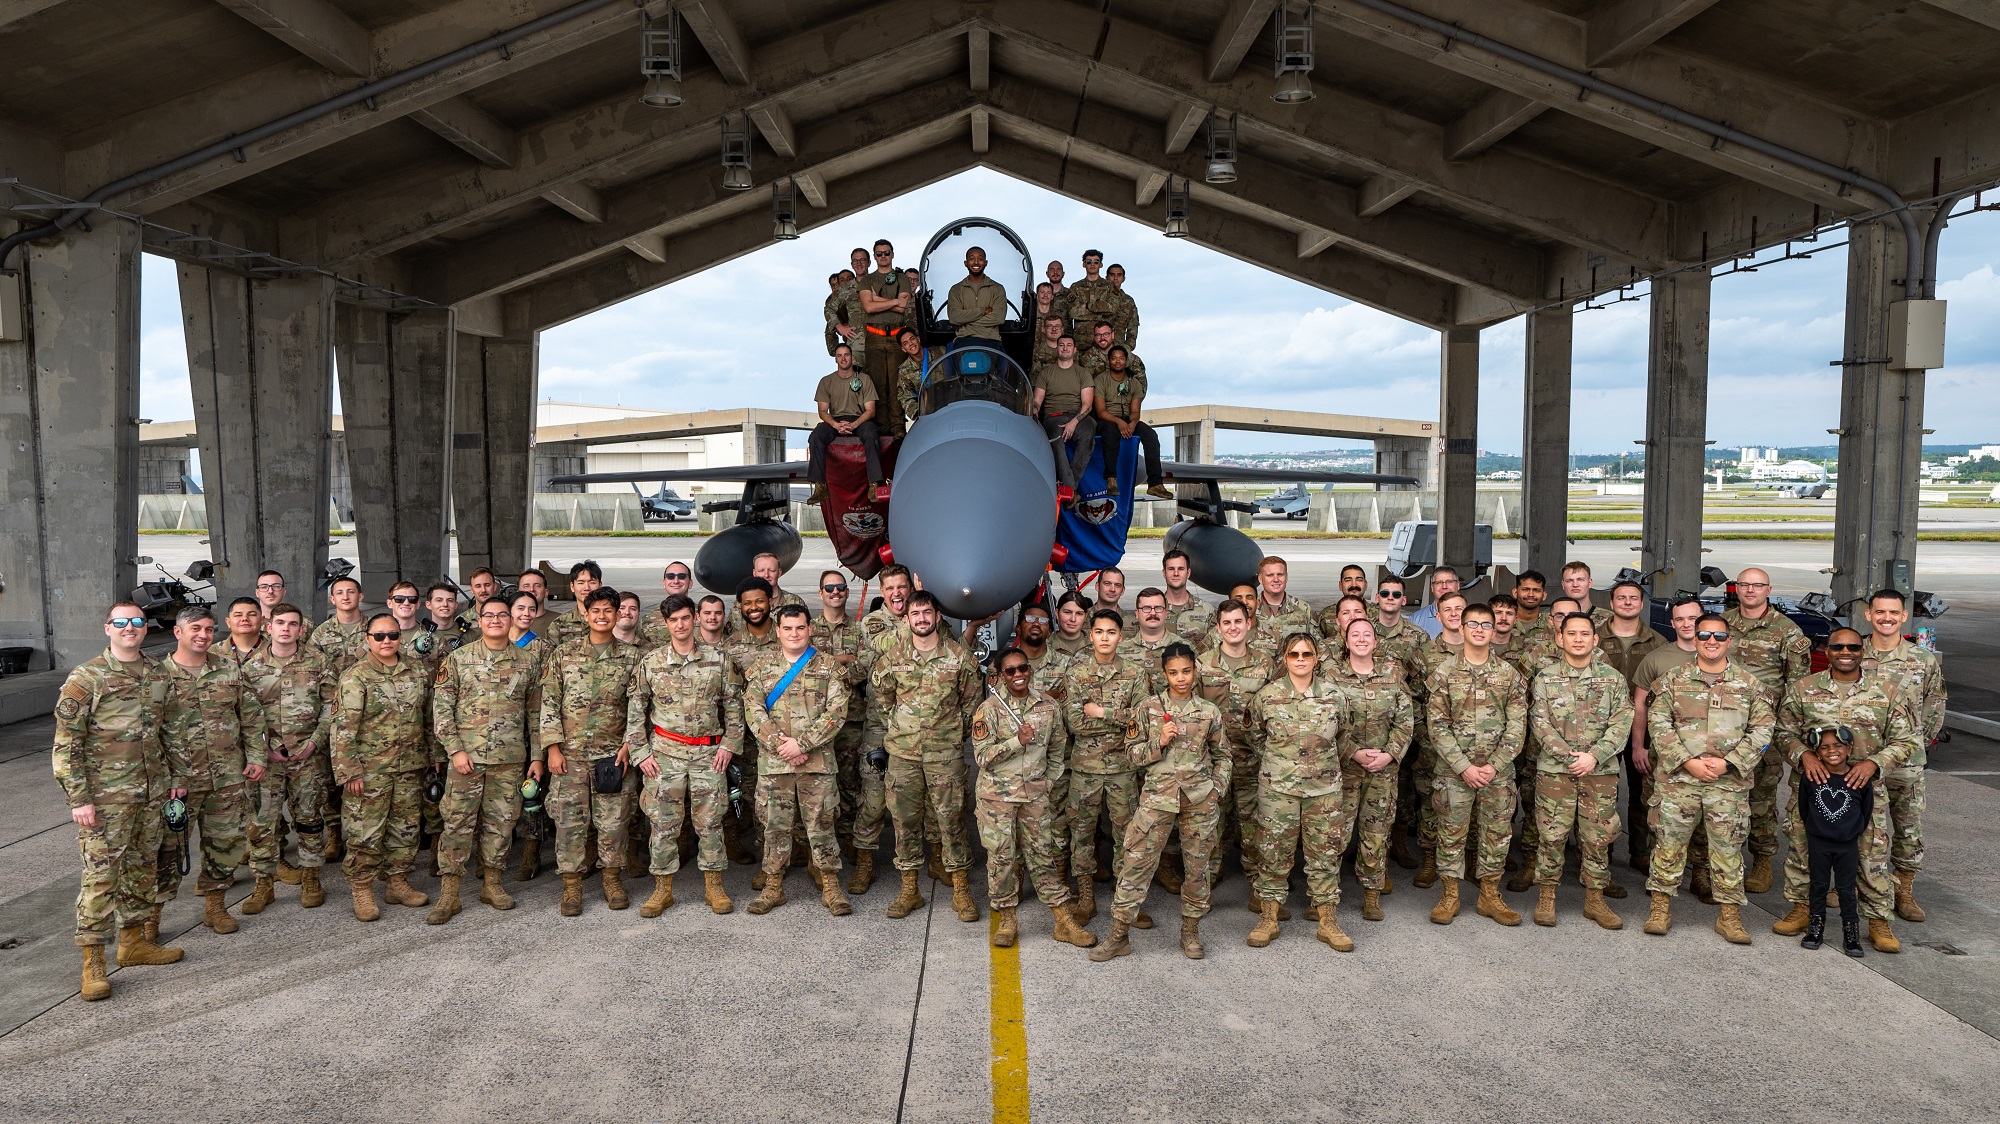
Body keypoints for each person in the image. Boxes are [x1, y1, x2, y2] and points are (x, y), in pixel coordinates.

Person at [54, 601, 178, 1000]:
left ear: (146, 628)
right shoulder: (87, 677)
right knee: (101, 878)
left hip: (151, 794)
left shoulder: (160, 673)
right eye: (121, 622)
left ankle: (133, 943)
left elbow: (169, 732)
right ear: (107, 627)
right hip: (105, 800)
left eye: (138, 621)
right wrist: (79, 799)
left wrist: (174, 780)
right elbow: (66, 743)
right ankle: (93, 963)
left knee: (143, 869)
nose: (130, 628)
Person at [1771, 627, 1920, 954]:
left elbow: (1907, 739)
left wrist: (1874, 763)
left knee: (1871, 854)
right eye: (1838, 646)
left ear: (1862, 650)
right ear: (1827, 649)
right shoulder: (1803, 689)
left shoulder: (1887, 691)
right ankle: (1801, 908)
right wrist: (1804, 755)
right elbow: (1783, 733)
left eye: (1853, 646)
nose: (1846, 652)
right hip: (1812, 789)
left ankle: (1877, 920)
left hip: (1862, 790)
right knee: (1802, 848)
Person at [1641, 613, 1773, 943]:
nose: (1711, 641)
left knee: (1727, 850)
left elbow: (1763, 731)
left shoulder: (1749, 684)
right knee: (1668, 845)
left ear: (1730, 641)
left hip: (1727, 785)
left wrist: (1729, 763)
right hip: (1678, 782)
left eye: (1718, 636)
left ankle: (1729, 916)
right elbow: (1658, 724)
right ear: (1695, 640)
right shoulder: (1673, 680)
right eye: (1704, 635)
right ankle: (1660, 908)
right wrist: (1687, 762)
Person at [1092, 643, 1227, 961]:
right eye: (1173, 672)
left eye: (1186, 671)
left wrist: (1216, 789)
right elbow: (1131, 753)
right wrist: (1159, 741)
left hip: (1198, 799)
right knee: (1135, 864)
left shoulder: (1209, 712)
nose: (1181, 678)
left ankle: (1191, 932)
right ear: (1164, 674)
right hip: (1157, 798)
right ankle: (1119, 935)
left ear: (1195, 672)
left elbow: (1223, 755)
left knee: (1197, 869)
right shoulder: (1148, 709)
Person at [428, 595, 544, 925]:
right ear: (478, 621)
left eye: (501, 615)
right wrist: (455, 750)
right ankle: (449, 894)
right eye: (488, 615)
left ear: (511, 621)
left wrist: (537, 756)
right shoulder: (459, 659)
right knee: (457, 825)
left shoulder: (527, 661)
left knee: (502, 824)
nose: (495, 620)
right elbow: (442, 711)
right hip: (468, 759)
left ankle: (492, 884)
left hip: (509, 760)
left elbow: (536, 713)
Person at [627, 594, 744, 917]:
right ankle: (662, 890)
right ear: (665, 624)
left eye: (684, 618)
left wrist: (729, 744)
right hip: (665, 753)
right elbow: (636, 709)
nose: (680, 625)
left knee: (710, 821)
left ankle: (714, 887)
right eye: (673, 620)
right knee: (663, 823)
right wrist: (639, 751)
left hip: (709, 752)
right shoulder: (651, 663)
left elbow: (734, 705)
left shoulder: (718, 659)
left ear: (694, 618)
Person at [869, 590, 983, 922]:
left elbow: (971, 705)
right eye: (915, 614)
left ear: (936, 617)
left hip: (945, 755)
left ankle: (961, 890)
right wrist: (900, 727)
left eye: (926, 613)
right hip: (903, 755)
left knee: (952, 822)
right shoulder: (892, 658)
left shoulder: (959, 658)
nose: (921, 619)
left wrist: (950, 734)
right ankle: (910, 890)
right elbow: (883, 698)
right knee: (904, 824)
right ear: (906, 619)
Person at [974, 649, 1097, 949]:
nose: (1018, 675)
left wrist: (1048, 782)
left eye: (1023, 669)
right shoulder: (989, 709)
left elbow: (1057, 749)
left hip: (1034, 796)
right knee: (1001, 858)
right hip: (997, 797)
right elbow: (982, 756)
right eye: (1011, 671)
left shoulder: (1048, 706)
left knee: (1044, 855)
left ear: (1030, 670)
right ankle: (1007, 917)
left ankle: (1063, 920)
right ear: (1001, 676)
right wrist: (1017, 741)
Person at [155, 605, 266, 937]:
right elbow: (149, 733)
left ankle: (215, 908)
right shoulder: (158, 677)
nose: (203, 635)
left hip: (228, 777)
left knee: (225, 844)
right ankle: (151, 920)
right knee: (167, 851)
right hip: (180, 782)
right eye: (195, 629)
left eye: (208, 629)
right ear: (178, 633)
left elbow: (251, 717)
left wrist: (257, 756)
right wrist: (167, 776)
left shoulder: (229, 671)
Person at [1243, 633, 1354, 952]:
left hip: (1324, 791)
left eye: (1307, 654)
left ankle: (1328, 922)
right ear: (1284, 658)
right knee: (1273, 854)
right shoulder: (1267, 696)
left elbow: (1344, 733)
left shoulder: (1335, 695)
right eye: (1294, 654)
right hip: (1279, 790)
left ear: (1317, 657)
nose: (1301, 659)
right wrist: (1281, 763)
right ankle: (1268, 919)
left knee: (1325, 856)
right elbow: (1255, 736)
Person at [740, 604, 853, 917]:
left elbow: (837, 711)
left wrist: (802, 744)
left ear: (809, 629)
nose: (794, 634)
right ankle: (773, 886)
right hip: (776, 764)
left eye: (800, 628)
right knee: (774, 827)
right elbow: (753, 710)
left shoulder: (829, 666)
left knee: (822, 826)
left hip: (816, 763)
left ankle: (831, 886)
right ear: (778, 631)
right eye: (787, 628)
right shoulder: (762, 666)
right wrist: (781, 744)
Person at [540, 587, 643, 916]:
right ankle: (572, 885)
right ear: (585, 614)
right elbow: (549, 702)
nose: (601, 616)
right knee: (570, 824)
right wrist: (552, 748)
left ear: (617, 615)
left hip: (613, 757)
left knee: (613, 823)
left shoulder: (631, 657)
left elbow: (640, 707)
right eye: (595, 610)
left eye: (608, 611)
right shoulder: (564, 654)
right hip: (570, 756)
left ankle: (612, 880)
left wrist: (630, 744)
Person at [1527, 613, 1633, 930]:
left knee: (1598, 837)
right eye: (1570, 633)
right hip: (1555, 772)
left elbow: (1621, 723)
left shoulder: (1613, 679)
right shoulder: (1544, 678)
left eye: (1584, 633)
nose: (1577, 639)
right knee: (1551, 835)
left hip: (1599, 773)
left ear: (1594, 640)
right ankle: (1547, 897)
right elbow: (1540, 723)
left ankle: (1595, 899)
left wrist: (1594, 757)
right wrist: (1569, 756)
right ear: (1560, 639)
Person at [1425, 602, 1528, 926]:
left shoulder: (1508, 674)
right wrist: (1463, 767)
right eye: (1474, 624)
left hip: (1497, 774)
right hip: (1455, 774)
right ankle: (1450, 895)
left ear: (1494, 628)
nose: (1480, 630)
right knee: (1451, 834)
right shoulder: (1444, 673)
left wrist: (1494, 765)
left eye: (1487, 624)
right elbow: (1437, 726)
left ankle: (1489, 896)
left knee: (1496, 835)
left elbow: (1517, 725)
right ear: (1463, 627)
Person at [333, 612, 434, 921]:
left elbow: (427, 719)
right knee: (366, 831)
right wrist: (349, 771)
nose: (387, 641)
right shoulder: (356, 676)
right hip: (370, 770)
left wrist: (434, 758)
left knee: (405, 829)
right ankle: (362, 888)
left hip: (410, 766)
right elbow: (343, 729)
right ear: (368, 639)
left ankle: (397, 881)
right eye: (379, 636)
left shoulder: (416, 671)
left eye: (392, 635)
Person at [238, 603, 334, 915]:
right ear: (268, 626)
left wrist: (315, 742)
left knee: (309, 819)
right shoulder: (251, 667)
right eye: (280, 623)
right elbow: (244, 713)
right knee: (263, 822)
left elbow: (333, 704)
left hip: (307, 756)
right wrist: (262, 747)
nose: (286, 629)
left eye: (292, 624)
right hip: (267, 759)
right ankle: (263, 884)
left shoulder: (318, 661)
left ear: (300, 629)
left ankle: (310, 878)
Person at [1723, 566, 1812, 894]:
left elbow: (1797, 685)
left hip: (1766, 729)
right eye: (1743, 584)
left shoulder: (1787, 631)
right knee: (1725, 793)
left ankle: (1762, 858)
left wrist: (1789, 730)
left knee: (1761, 796)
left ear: (1768, 590)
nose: (1749, 590)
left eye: (1756, 585)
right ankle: (1722, 858)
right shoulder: (1722, 625)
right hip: (1724, 726)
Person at [1860, 588, 1946, 923]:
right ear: (1869, 614)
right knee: (1861, 826)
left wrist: (1913, 745)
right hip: (1863, 762)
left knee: (1908, 827)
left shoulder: (1921, 660)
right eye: (1880, 612)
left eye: (1893, 613)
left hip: (1906, 763)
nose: (1886, 618)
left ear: (1903, 616)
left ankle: (1904, 889)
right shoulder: (1854, 653)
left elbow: (1934, 705)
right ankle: (1860, 884)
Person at [1326, 618, 1414, 923]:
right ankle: (1325, 897)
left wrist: (1389, 754)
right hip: (1343, 770)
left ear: (1375, 642)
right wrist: (1353, 751)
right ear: (1346, 641)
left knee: (1376, 834)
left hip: (1382, 772)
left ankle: (1371, 896)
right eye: (1355, 635)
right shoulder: (1331, 676)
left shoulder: (1392, 674)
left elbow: (1405, 720)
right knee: (1334, 835)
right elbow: (1325, 721)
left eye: (1367, 635)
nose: (1362, 639)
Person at [1063, 608, 1146, 923]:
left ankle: (1124, 902)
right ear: (1091, 634)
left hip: (1123, 769)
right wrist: (1118, 717)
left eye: (1111, 632)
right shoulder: (1077, 673)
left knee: (1127, 835)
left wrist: (1100, 713)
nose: (1105, 638)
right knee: (1082, 833)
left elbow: (1140, 722)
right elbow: (1074, 723)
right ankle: (1085, 897)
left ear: (1120, 637)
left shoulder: (1136, 673)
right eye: (1099, 632)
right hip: (1085, 769)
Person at [1196, 600, 1278, 915]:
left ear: (1248, 624)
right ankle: (1208, 878)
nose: (1233, 627)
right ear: (1218, 628)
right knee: (1210, 823)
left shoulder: (1265, 664)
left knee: (1254, 822)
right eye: (1226, 622)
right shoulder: (1203, 664)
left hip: (1251, 758)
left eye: (1238, 621)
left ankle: (1258, 884)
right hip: (1212, 760)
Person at [811, 569, 875, 893]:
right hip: (816, 723)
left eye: (840, 587)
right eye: (829, 588)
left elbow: (865, 667)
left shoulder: (860, 629)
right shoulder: (808, 629)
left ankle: (850, 840)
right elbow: (805, 669)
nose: (835, 592)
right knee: (820, 788)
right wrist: (842, 661)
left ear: (847, 593)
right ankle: (819, 848)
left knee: (850, 784)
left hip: (851, 720)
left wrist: (830, 666)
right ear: (820, 592)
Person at [1630, 597, 1704, 878]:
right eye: (1680, 619)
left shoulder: (1718, 655)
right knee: (1660, 819)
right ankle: (1660, 878)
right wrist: (1639, 746)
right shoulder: (1657, 658)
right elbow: (1640, 705)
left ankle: (1700, 875)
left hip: (1707, 755)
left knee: (1706, 823)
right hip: (1664, 756)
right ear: (1672, 624)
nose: (1687, 624)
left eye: (1693, 619)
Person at [1795, 718, 1873, 957]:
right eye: (1825, 747)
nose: (1832, 751)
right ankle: (1815, 929)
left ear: (1849, 749)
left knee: (1846, 889)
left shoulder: (1859, 780)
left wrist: (1852, 831)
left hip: (1847, 845)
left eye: (1838, 746)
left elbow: (1866, 810)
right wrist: (1816, 829)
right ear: (1817, 753)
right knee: (1818, 886)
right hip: (1819, 843)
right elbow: (1803, 808)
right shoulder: (1811, 778)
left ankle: (1851, 934)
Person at [806, 343, 885, 506]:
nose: (843, 358)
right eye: (840, 355)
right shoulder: (826, 381)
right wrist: (835, 425)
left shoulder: (864, 379)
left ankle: (874, 484)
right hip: (835, 420)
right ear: (836, 359)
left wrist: (854, 424)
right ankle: (820, 486)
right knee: (816, 436)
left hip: (859, 419)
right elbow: (822, 411)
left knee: (871, 433)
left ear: (852, 357)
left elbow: (871, 410)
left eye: (846, 355)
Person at [1089, 341, 1168, 498]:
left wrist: (1132, 423)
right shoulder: (1100, 380)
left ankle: (1155, 484)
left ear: (1126, 361)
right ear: (1109, 361)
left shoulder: (1134, 383)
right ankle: (1111, 478)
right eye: (1114, 358)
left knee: (1151, 436)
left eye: (1121, 358)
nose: (1117, 361)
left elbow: (1135, 412)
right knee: (1110, 433)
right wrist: (1119, 422)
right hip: (1108, 419)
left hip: (1127, 419)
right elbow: (1101, 411)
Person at [857, 239, 915, 439]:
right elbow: (868, 307)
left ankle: (898, 426)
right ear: (874, 257)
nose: (883, 256)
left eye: (886, 253)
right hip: (874, 336)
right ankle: (881, 427)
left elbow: (902, 307)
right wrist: (893, 301)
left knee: (896, 384)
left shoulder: (902, 278)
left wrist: (877, 299)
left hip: (897, 336)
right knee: (878, 383)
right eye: (879, 254)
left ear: (892, 254)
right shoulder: (867, 280)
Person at [1031, 333, 1096, 492]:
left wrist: (1074, 422)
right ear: (1057, 349)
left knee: (1089, 433)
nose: (1065, 348)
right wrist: (1034, 410)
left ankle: (1068, 487)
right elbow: (1037, 400)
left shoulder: (1082, 373)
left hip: (1077, 415)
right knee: (1055, 438)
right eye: (1061, 345)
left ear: (1074, 350)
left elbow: (1087, 405)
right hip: (1054, 417)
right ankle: (1070, 489)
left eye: (1068, 345)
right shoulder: (1046, 373)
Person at [1119, 588, 1178, 696]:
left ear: (1166, 613)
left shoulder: (1183, 648)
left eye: (1158, 608)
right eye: (1146, 608)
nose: (1153, 613)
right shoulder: (1119, 651)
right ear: (1136, 613)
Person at [727, 554, 805, 635]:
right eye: (761, 571)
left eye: (771, 570)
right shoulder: (740, 605)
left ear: (779, 572)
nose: (766, 575)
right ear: (754, 573)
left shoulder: (795, 602)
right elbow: (731, 635)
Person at [946, 245, 1006, 343]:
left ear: (986, 263)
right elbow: (954, 317)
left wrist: (966, 322)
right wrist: (982, 311)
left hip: (991, 340)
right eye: (972, 259)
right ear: (966, 263)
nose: (976, 262)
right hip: (963, 340)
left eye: (980, 259)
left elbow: (999, 318)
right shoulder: (956, 290)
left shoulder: (997, 288)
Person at [310, 574, 369, 668]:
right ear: (333, 599)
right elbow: (311, 663)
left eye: (351, 592)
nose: (345, 597)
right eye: (339, 593)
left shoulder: (375, 628)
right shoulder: (321, 632)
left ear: (360, 596)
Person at [1160, 550, 1215, 642]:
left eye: (1181, 569)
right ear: (1164, 573)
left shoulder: (1207, 610)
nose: (1176, 573)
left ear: (1188, 573)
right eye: (1171, 569)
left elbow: (1214, 646)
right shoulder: (1153, 610)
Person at [895, 326, 946, 425]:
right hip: (928, 413)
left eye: (912, 339)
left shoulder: (941, 352)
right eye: (905, 343)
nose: (911, 344)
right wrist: (919, 414)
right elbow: (905, 397)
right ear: (903, 349)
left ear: (918, 339)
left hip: (948, 404)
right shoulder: (904, 370)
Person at [1066, 249, 1116, 336]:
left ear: (1101, 265)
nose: (1092, 264)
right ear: (1084, 264)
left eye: (1096, 262)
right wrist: (1100, 313)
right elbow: (1072, 313)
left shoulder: (1110, 286)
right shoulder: (1075, 287)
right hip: (1081, 341)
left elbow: (1112, 309)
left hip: (1103, 339)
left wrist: (1087, 306)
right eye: (1089, 262)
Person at [1406, 567, 1461, 638]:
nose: (1444, 586)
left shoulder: (1471, 616)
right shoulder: (1417, 619)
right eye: (1439, 582)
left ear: (1458, 585)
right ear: (1432, 587)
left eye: (1449, 581)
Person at [1511, 570, 1551, 647]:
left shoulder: (1552, 625)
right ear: (1515, 593)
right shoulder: (1503, 622)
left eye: (1536, 590)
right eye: (1525, 589)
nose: (1531, 594)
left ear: (1544, 595)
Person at [1104, 263, 1139, 349]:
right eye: (1112, 275)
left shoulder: (1128, 301)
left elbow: (1133, 328)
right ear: (1106, 278)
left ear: (1123, 279)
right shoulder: (1100, 298)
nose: (1115, 278)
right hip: (1098, 348)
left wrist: (1126, 348)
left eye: (1119, 275)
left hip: (1119, 348)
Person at [1050, 590, 1093, 657]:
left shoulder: (1098, 645)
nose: (1073, 619)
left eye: (1079, 613)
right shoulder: (1044, 647)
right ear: (1057, 613)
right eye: (1067, 612)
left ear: (1085, 616)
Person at [1044, 258, 1072, 325]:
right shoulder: (1040, 296)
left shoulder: (1070, 294)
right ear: (1047, 274)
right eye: (1052, 269)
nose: (1055, 272)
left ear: (1063, 274)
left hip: (1065, 334)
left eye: (1058, 269)